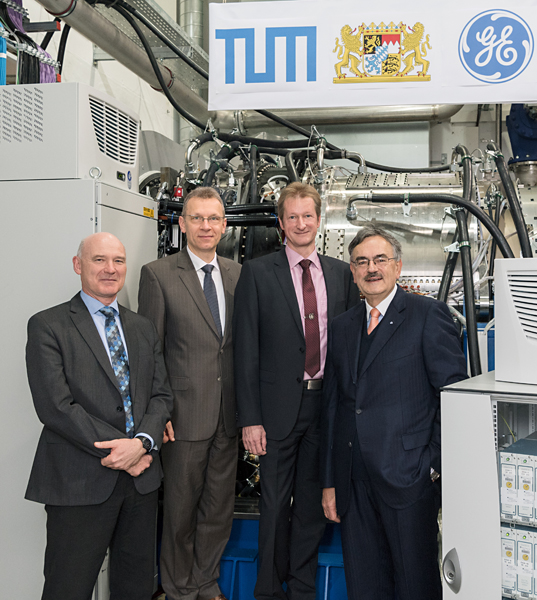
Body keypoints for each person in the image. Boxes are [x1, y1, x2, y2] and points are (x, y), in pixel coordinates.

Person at [320, 224, 467, 600]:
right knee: (365, 584)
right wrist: (330, 481)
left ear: (398, 267)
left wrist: (431, 465)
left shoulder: (427, 316)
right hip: (354, 483)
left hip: (409, 481)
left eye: (380, 259)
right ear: (352, 272)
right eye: (362, 262)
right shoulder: (342, 327)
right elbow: (334, 406)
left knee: (414, 583)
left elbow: (454, 398)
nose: (372, 268)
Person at [25, 232, 173, 600]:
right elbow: (56, 407)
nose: (110, 269)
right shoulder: (48, 325)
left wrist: (141, 445)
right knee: (67, 588)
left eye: (118, 261)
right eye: (99, 260)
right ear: (78, 265)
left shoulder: (142, 327)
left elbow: (161, 395)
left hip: (140, 483)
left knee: (135, 588)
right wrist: (121, 452)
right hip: (80, 481)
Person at [234, 182, 361, 600]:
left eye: (308, 215)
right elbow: (245, 349)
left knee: (311, 506)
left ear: (319, 221)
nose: (301, 223)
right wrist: (250, 418)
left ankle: (303, 588)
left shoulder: (341, 274)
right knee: (273, 506)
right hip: (275, 411)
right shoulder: (257, 272)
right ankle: (268, 591)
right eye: (292, 217)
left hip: (324, 405)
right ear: (281, 223)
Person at [138, 187, 241, 600]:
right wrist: (156, 413)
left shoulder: (237, 274)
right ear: (182, 224)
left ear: (225, 226)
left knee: (218, 509)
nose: (205, 226)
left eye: (213, 219)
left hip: (227, 414)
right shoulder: (158, 274)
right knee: (180, 511)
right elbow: (151, 352)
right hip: (181, 415)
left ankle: (205, 582)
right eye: (196, 218)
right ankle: (178, 588)